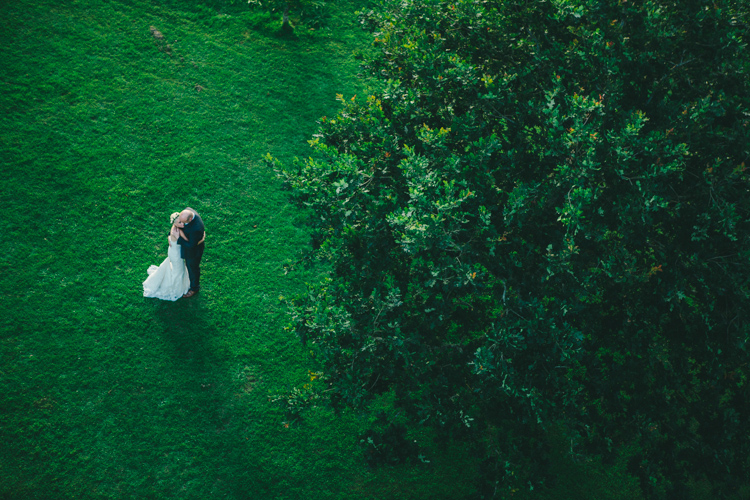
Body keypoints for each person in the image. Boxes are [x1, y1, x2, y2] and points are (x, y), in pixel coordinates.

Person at [143, 212, 191, 301]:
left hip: (173, 252)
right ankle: (177, 289)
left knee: (178, 269)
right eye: (179, 223)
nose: (182, 224)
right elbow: (188, 242)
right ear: (175, 223)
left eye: (182, 221)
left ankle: (178, 283)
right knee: (178, 271)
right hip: (176, 255)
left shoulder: (174, 228)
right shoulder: (178, 232)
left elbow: (170, 234)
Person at [176, 207, 205, 298]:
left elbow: (191, 246)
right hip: (190, 245)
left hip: (193, 253)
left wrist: (178, 238)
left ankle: (194, 288)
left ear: (190, 219)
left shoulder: (196, 229)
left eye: (184, 222)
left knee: (193, 269)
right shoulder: (188, 211)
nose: (182, 224)